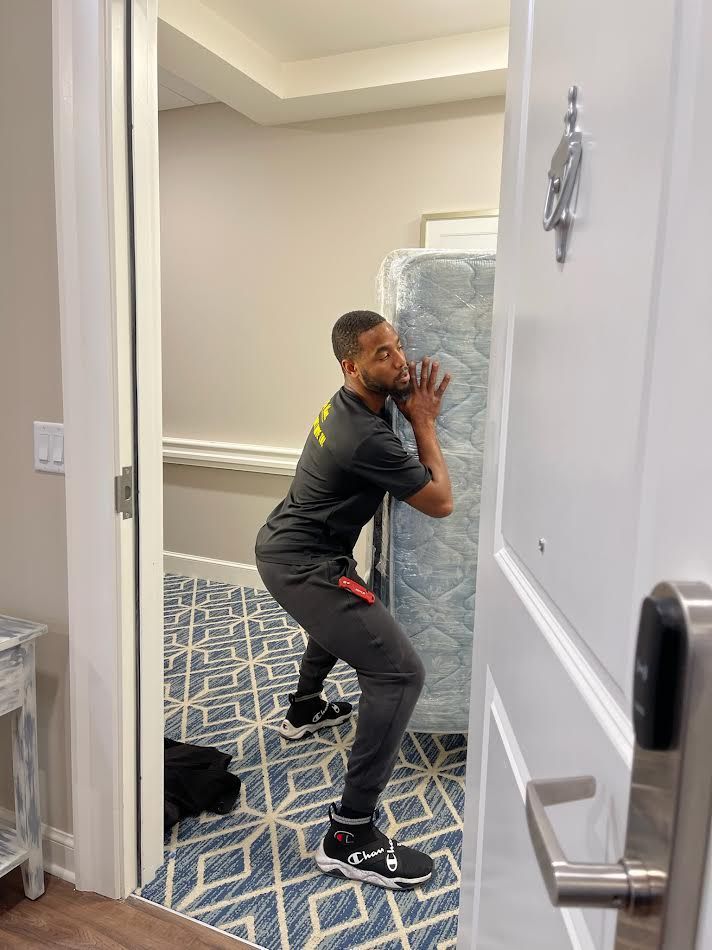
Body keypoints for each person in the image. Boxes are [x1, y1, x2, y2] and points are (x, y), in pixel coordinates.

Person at [255, 309, 453, 890]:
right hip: (302, 564)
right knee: (398, 674)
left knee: (350, 600)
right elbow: (440, 501)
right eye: (383, 355)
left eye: (396, 348)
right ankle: (350, 836)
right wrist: (424, 422)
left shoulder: (351, 403)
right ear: (351, 366)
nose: (399, 362)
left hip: (299, 547)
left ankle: (304, 709)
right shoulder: (364, 435)